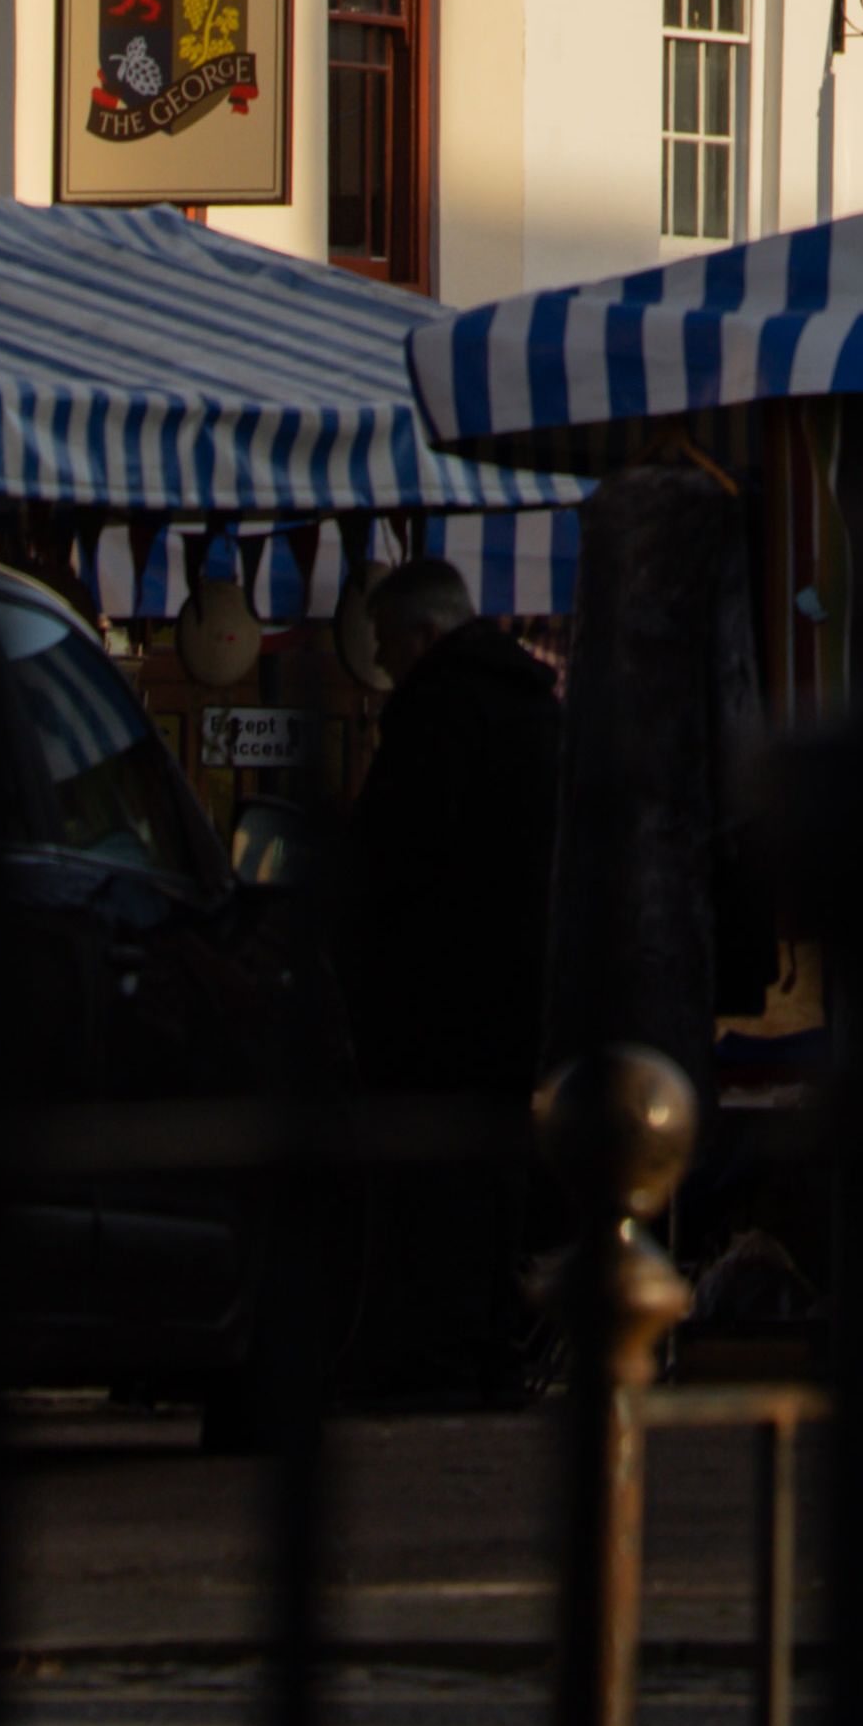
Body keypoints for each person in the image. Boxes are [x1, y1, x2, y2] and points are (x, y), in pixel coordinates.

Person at [334, 557, 565, 1393]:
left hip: (430, 1005)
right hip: (518, 997)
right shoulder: (538, 710)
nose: (386, 664)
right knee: (495, 1181)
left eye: (389, 644)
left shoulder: (434, 711)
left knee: (428, 1190)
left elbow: (389, 864)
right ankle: (487, 1345)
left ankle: (436, 1352)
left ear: (426, 634)